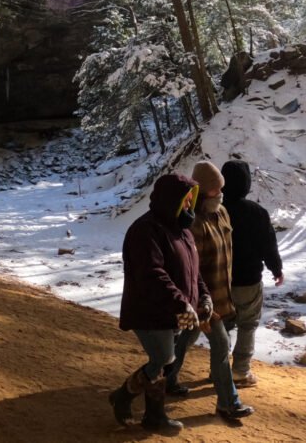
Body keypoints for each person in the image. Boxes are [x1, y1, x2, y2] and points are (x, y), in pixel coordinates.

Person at [109, 173, 206, 432]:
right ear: (170, 201)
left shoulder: (182, 231)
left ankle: (153, 416)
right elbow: (152, 273)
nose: (189, 207)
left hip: (172, 311)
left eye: (191, 202)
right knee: (163, 358)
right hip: (149, 310)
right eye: (184, 201)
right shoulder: (145, 230)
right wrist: (181, 304)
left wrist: (203, 296)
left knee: (165, 362)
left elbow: (194, 271)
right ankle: (124, 395)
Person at [166, 162, 254, 422]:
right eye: (216, 190)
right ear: (204, 193)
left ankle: (167, 379)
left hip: (223, 296)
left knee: (186, 338)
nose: (221, 194)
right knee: (221, 345)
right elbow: (190, 269)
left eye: (222, 189)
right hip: (203, 300)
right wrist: (198, 303)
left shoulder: (223, 213)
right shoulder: (193, 224)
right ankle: (228, 402)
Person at [221, 159, 284, 387]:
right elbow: (268, 245)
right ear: (247, 184)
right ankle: (240, 371)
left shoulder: (216, 210)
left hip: (220, 281)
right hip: (248, 279)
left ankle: (218, 370)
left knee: (223, 326)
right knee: (247, 325)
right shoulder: (257, 212)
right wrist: (276, 269)